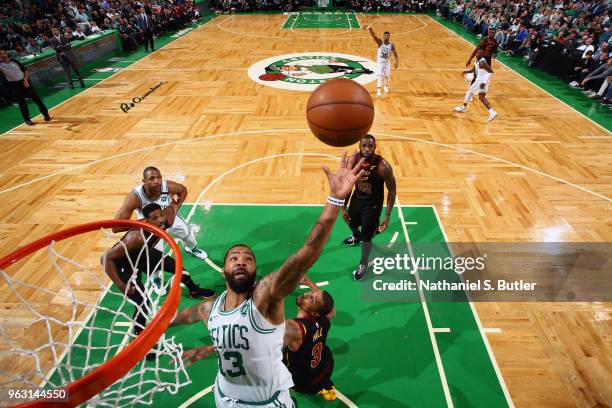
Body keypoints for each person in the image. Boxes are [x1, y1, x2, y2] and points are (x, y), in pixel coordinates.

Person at [169, 151, 365, 407]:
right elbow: (179, 319)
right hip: (225, 397)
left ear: (255, 272)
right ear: (224, 270)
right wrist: (151, 331)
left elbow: (305, 254)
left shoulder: (265, 299)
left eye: (248, 258)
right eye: (234, 257)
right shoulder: (209, 309)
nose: (240, 260)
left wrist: (334, 200)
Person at [101, 203, 214, 337]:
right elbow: (105, 258)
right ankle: (139, 331)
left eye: (160, 215)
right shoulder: (136, 238)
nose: (160, 219)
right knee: (142, 302)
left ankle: (194, 290)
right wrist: (121, 284)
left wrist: (175, 204)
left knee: (176, 266)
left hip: (143, 253)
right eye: (155, 218)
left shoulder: (165, 220)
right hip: (124, 265)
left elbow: (179, 196)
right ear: (147, 221)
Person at [114, 166, 209, 260]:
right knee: (156, 255)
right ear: (144, 181)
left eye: (159, 177)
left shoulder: (166, 186)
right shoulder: (135, 197)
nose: (157, 181)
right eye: (152, 178)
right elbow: (116, 227)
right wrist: (144, 223)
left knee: (189, 236)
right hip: (151, 227)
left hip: (170, 218)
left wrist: (177, 205)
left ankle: (191, 248)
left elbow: (182, 190)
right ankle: (155, 274)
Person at [342, 135, 397, 281]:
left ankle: (363, 263)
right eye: (364, 146)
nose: (367, 149)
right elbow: (347, 185)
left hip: (372, 206)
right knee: (351, 222)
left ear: (375, 147)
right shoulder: (353, 162)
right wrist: (344, 206)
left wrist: (387, 215)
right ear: (359, 146)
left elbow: (392, 190)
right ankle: (355, 236)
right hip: (356, 199)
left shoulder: (383, 166)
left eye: (370, 146)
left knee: (367, 236)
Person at [283, 276, 337, 401]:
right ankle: (326, 386)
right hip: (325, 368)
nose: (307, 295)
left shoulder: (297, 329)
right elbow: (331, 311)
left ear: (314, 313)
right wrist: (309, 283)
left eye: (312, 299)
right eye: (311, 293)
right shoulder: (324, 318)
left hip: (304, 383)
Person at [0, 47, 51, 126]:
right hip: (14, 86)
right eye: (0, 53)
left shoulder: (14, 61)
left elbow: (25, 70)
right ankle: (27, 119)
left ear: (6, 53)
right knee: (22, 103)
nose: (2, 54)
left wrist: (25, 79)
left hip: (24, 82)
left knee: (36, 98)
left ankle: (46, 114)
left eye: (3, 53)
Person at [455, 49, 498, 122]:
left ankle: (463, 108)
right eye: (477, 53)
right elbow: (474, 69)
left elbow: (490, 72)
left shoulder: (483, 62)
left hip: (481, 81)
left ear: (482, 54)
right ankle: (492, 112)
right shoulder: (476, 61)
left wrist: (484, 82)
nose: (478, 54)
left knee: (469, 92)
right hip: (482, 81)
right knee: (481, 98)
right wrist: (466, 72)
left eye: (480, 53)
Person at [364, 25, 399, 97]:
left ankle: (386, 86)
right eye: (385, 35)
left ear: (389, 36)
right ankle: (379, 90)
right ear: (383, 36)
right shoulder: (380, 43)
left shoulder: (391, 45)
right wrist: (370, 28)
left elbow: (396, 54)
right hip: (380, 63)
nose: (386, 37)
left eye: (387, 35)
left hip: (387, 63)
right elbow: (374, 36)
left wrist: (396, 62)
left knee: (387, 76)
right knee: (379, 76)